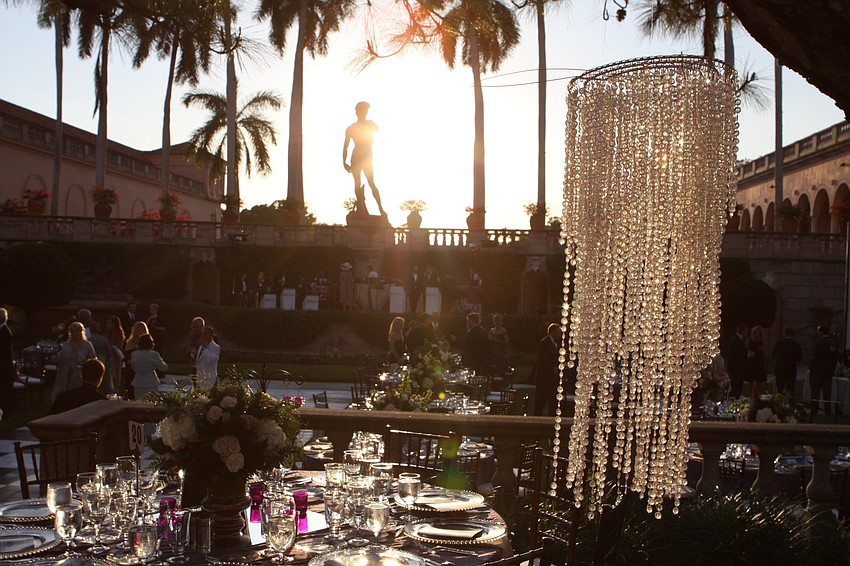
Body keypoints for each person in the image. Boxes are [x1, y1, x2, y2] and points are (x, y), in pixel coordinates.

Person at [342, 101, 386, 216]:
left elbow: (377, 130)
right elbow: (345, 146)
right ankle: (362, 207)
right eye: (362, 110)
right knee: (358, 183)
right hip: (357, 157)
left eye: (366, 110)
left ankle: (380, 209)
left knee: (371, 182)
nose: (364, 113)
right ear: (357, 112)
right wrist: (344, 162)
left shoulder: (370, 124)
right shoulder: (351, 128)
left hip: (367, 157)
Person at [53, 322, 97, 400]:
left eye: (76, 331)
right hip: (66, 374)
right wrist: (55, 358)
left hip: (81, 375)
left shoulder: (87, 345)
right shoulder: (66, 345)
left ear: (81, 332)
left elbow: (93, 359)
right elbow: (60, 356)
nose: (74, 334)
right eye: (72, 331)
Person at [531, 323, 563, 416]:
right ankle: (538, 417)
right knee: (541, 398)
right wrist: (552, 367)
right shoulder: (544, 342)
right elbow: (543, 358)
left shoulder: (557, 343)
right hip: (544, 376)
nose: (559, 335)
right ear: (552, 332)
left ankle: (552, 415)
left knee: (552, 398)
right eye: (558, 332)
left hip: (552, 377)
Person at [810, 325, 839, 416]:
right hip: (828, 371)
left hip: (818, 370)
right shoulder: (833, 343)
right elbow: (835, 357)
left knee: (815, 392)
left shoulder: (818, 342)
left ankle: (814, 410)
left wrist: (811, 367)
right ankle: (828, 411)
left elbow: (815, 357)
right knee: (827, 392)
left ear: (821, 332)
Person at [130, 334, 167, 399]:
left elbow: (133, 367)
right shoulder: (154, 354)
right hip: (151, 381)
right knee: (151, 402)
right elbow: (164, 368)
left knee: (139, 403)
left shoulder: (134, 354)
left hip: (138, 381)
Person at [772, 327, 802, 398]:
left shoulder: (780, 344)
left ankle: (779, 404)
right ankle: (791, 404)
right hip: (791, 369)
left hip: (781, 368)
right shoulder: (796, 345)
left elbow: (773, 354)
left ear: (784, 333)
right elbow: (800, 358)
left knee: (780, 389)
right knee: (791, 389)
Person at [123, 321, 149, 399]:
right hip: (132, 372)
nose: (141, 332)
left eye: (143, 330)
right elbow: (127, 360)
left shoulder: (148, 343)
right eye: (139, 330)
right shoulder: (130, 343)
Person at [725, 324, 749, 398]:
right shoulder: (737, 340)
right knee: (736, 385)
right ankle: (735, 398)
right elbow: (736, 354)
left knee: (737, 385)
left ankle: (735, 397)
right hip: (737, 367)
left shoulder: (737, 340)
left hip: (737, 367)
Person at [104, 316, 125, 397]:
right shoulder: (106, 333)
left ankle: (117, 391)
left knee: (115, 376)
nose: (108, 325)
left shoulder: (118, 334)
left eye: (110, 323)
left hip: (115, 358)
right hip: (108, 357)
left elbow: (118, 346)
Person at [746, 325, 767, 398]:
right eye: (755, 333)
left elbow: (764, 354)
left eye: (758, 333)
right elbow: (745, 351)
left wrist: (763, 350)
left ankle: (760, 397)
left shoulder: (761, 342)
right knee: (751, 382)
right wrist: (749, 353)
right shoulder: (749, 341)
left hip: (759, 363)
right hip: (751, 363)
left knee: (760, 381)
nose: (757, 335)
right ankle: (751, 397)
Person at [0, 308, 14, 415]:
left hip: (4, 364)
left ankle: (6, 409)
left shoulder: (5, 332)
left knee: (4, 388)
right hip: (4, 363)